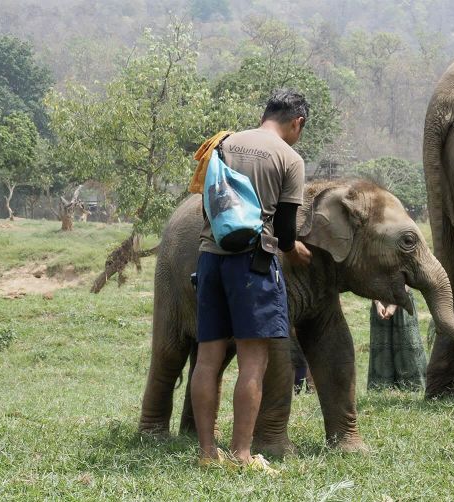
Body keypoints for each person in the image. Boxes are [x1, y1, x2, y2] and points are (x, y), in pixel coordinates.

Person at [191, 89, 313, 471]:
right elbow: (287, 233)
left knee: (208, 359)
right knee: (252, 363)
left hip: (210, 258)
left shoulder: (223, 143)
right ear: (297, 123)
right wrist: (296, 251)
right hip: (254, 265)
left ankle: (207, 454)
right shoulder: (289, 158)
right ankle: (242, 454)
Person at [368, 286, 428, 390]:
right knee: (381, 343)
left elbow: (407, 278)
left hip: (402, 302)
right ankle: (382, 387)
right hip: (379, 301)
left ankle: (413, 386)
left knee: (408, 342)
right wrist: (377, 303)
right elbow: (369, 278)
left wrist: (394, 304)